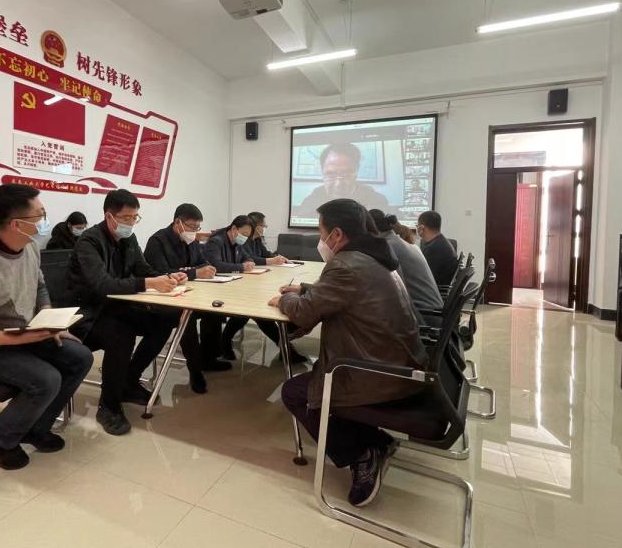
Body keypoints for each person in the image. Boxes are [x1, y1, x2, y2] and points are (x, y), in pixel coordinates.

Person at [272, 198, 427, 507]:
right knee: (312, 380)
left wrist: (284, 301)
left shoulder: (346, 264)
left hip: (375, 372)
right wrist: (307, 290)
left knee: (295, 393)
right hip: (398, 363)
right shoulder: (374, 257)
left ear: (337, 234)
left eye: (321, 233)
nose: (320, 240)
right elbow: (345, 293)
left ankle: (362, 454)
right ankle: (377, 441)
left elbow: (304, 313)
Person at [0, 184, 93, 471]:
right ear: (17, 224)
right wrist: (25, 337)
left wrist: (48, 318)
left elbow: (39, 286)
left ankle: (36, 427)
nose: (45, 221)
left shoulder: (29, 246)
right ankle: (1, 435)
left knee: (80, 357)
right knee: (46, 379)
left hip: (23, 334)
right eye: (40, 215)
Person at [66, 189, 181, 436]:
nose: (131, 223)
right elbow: (103, 285)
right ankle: (108, 406)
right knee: (121, 332)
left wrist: (167, 277)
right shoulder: (89, 242)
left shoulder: (128, 239)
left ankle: (129, 380)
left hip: (117, 308)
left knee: (166, 319)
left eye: (134, 217)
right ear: (109, 216)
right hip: (88, 314)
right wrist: (148, 283)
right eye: (126, 218)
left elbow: (143, 269)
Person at [204, 216, 308, 364]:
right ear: (233, 229)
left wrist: (248, 262)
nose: (245, 238)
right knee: (256, 310)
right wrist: (241, 267)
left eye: (247, 236)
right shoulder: (216, 242)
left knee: (250, 310)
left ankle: (226, 340)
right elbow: (216, 265)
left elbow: (248, 257)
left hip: (234, 285)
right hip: (216, 289)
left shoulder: (237, 242)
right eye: (243, 234)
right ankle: (286, 349)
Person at [144, 203, 222, 394]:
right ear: (177, 222)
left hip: (187, 291)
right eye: (191, 226)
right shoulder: (157, 241)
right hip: (161, 297)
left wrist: (205, 269)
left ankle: (208, 359)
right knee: (187, 315)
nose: (194, 231)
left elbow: (201, 263)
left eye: (197, 227)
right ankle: (195, 370)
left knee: (215, 310)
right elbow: (161, 273)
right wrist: (194, 273)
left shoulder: (191, 241)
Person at [369, 209, 443, 318]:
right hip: (434, 313)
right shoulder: (401, 243)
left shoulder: (387, 247)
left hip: (425, 316)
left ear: (370, 230)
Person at [296, 142, 390, 215]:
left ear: (357, 170)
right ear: (322, 170)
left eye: (346, 174)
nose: (338, 184)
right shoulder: (313, 199)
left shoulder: (376, 200)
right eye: (331, 174)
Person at [417, 210, 457, 287]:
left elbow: (423, 278)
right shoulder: (440, 242)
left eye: (417, 225)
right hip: (439, 287)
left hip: (434, 290)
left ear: (421, 228)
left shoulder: (434, 249)